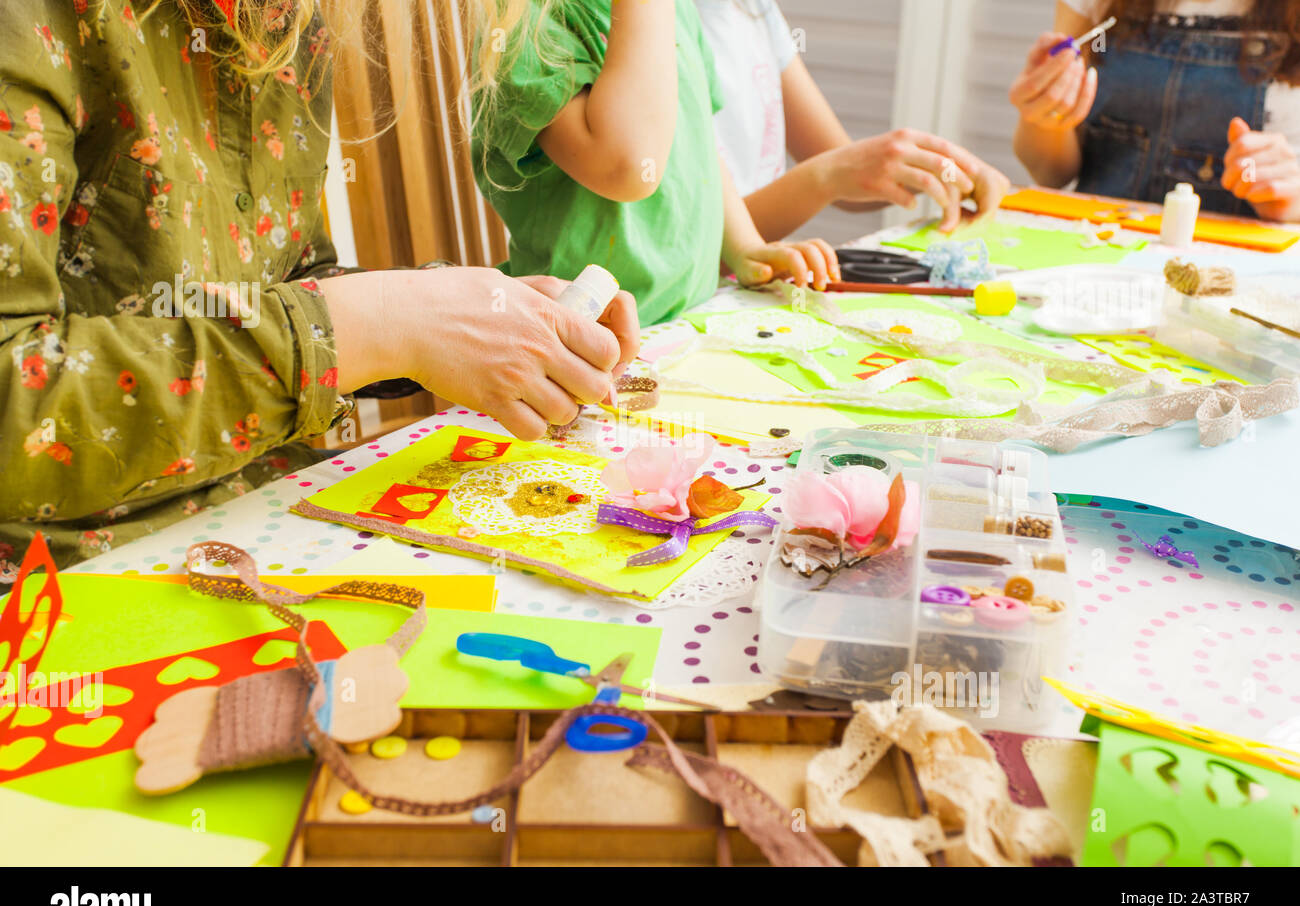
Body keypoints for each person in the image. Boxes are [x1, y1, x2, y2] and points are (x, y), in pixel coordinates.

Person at [0, 0, 639, 573]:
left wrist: (457, 319)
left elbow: (291, 285)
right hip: (65, 582)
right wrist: (380, 324)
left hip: (277, 522)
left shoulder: (287, 24)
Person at [468, 0, 841, 329]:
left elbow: (699, 144)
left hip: (693, 320)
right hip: (582, 342)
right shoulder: (522, 26)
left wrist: (745, 246)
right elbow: (629, 169)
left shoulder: (676, 11)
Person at [694, 0, 1012, 240]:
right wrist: (828, 176)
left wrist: (935, 166)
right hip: (684, 309)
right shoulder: (662, 20)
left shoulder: (752, 8)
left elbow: (847, 176)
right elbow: (693, 246)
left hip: (741, 294)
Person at [1011, 0, 1300, 221]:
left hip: (1232, 273)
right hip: (1097, 249)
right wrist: (1047, 115)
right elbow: (1050, 174)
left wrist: (1287, 196)